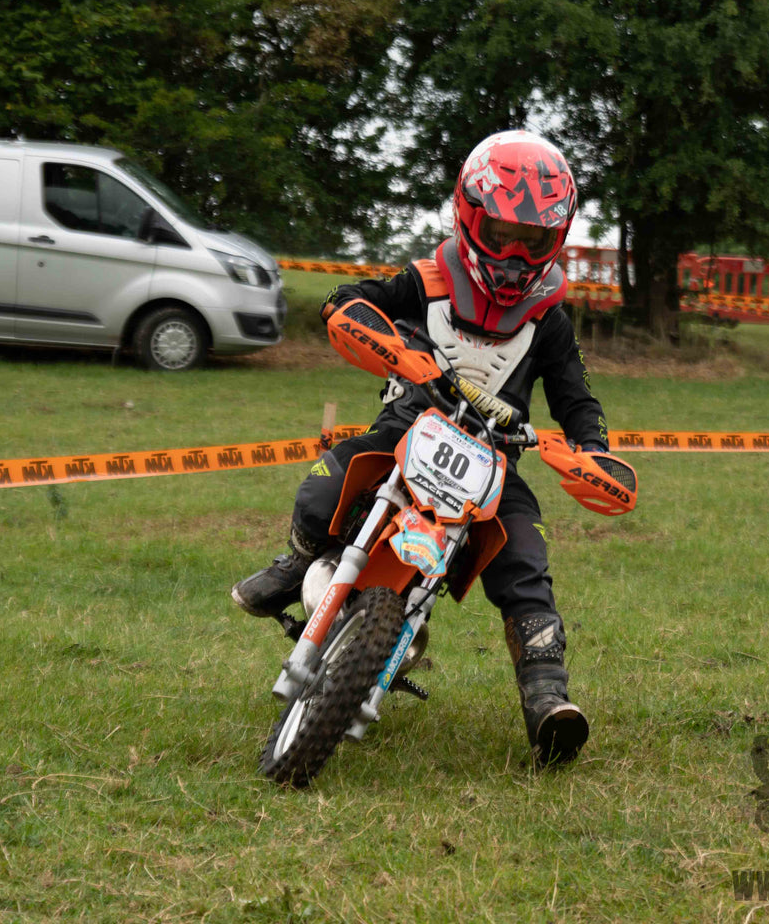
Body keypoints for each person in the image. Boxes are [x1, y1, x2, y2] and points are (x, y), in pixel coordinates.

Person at [231, 130, 611, 766]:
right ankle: (298, 564)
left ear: (557, 241)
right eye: (500, 234)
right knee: (328, 485)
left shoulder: (551, 321)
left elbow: (576, 399)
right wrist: (380, 336)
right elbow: (348, 300)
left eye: (535, 241)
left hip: (496, 459)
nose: (516, 255)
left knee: (526, 567)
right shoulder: (428, 280)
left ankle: (548, 700)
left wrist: (592, 449)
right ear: (468, 218)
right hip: (407, 426)